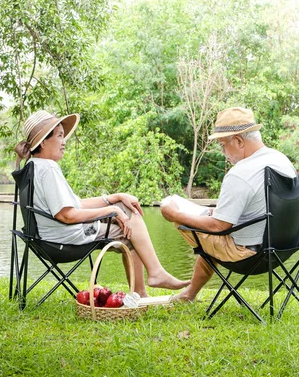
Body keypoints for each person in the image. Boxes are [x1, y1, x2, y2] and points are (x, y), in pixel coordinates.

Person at [14, 110, 190, 298]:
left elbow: (76, 205)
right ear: (42, 142)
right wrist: (112, 210)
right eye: (59, 136)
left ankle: (153, 276)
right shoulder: (48, 168)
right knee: (131, 233)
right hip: (63, 239)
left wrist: (115, 197)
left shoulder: (35, 165)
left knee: (125, 209)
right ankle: (148, 283)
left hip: (46, 238)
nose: (64, 142)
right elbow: (66, 215)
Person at [160, 107, 296, 302]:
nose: (223, 152)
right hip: (284, 248)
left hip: (249, 255)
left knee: (197, 228)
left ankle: (189, 294)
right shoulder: (281, 160)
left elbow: (219, 226)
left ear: (239, 141)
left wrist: (174, 214)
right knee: (210, 229)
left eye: (223, 145)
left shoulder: (240, 173)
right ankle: (189, 293)